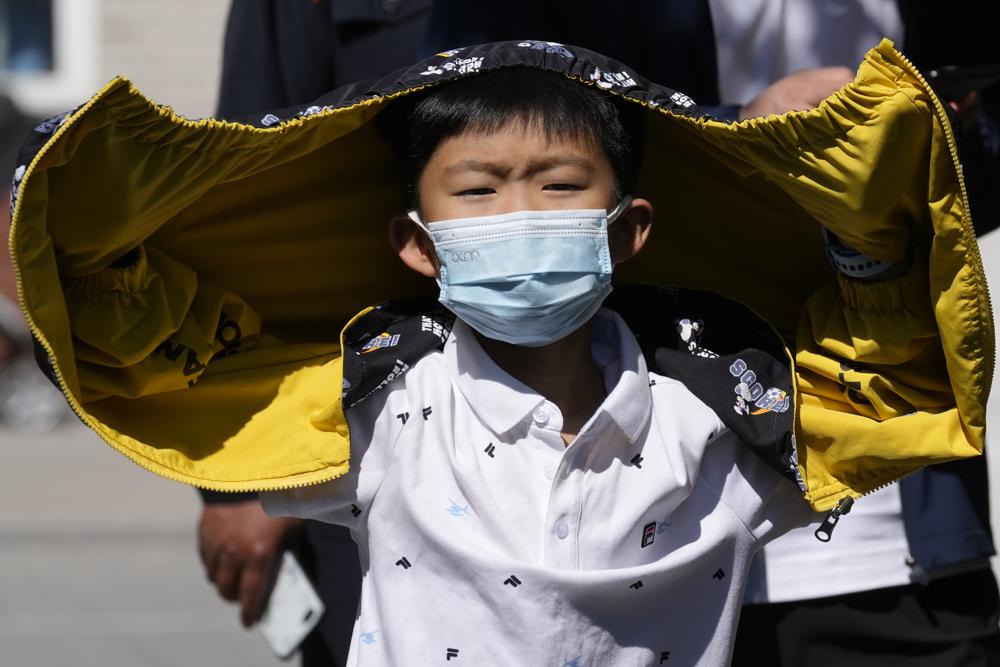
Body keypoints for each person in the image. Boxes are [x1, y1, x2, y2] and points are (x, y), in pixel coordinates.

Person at [8, 40, 990, 666]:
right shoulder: (376, 401)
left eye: (560, 184)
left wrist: (852, 203)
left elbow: (891, 373)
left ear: (628, 227)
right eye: (477, 192)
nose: (519, 214)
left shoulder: (720, 403)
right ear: (416, 243)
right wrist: (132, 175)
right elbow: (138, 335)